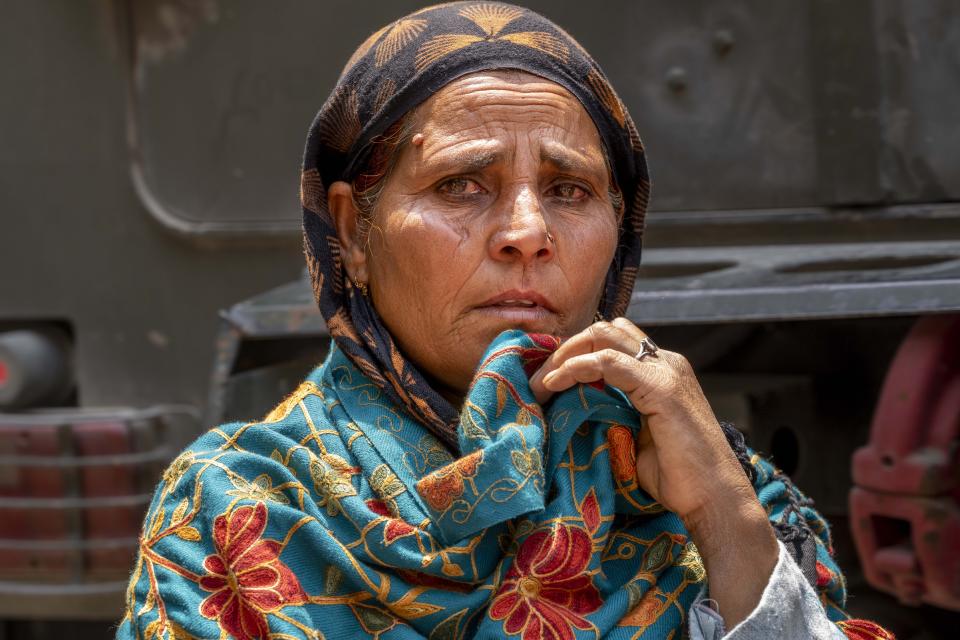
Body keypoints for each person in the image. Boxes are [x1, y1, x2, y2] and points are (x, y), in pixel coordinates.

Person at [118, 3, 895, 639]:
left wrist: (727, 518)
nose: (527, 231)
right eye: (461, 184)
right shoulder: (238, 507)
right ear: (355, 232)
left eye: (570, 190)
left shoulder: (708, 488)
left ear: (619, 230)